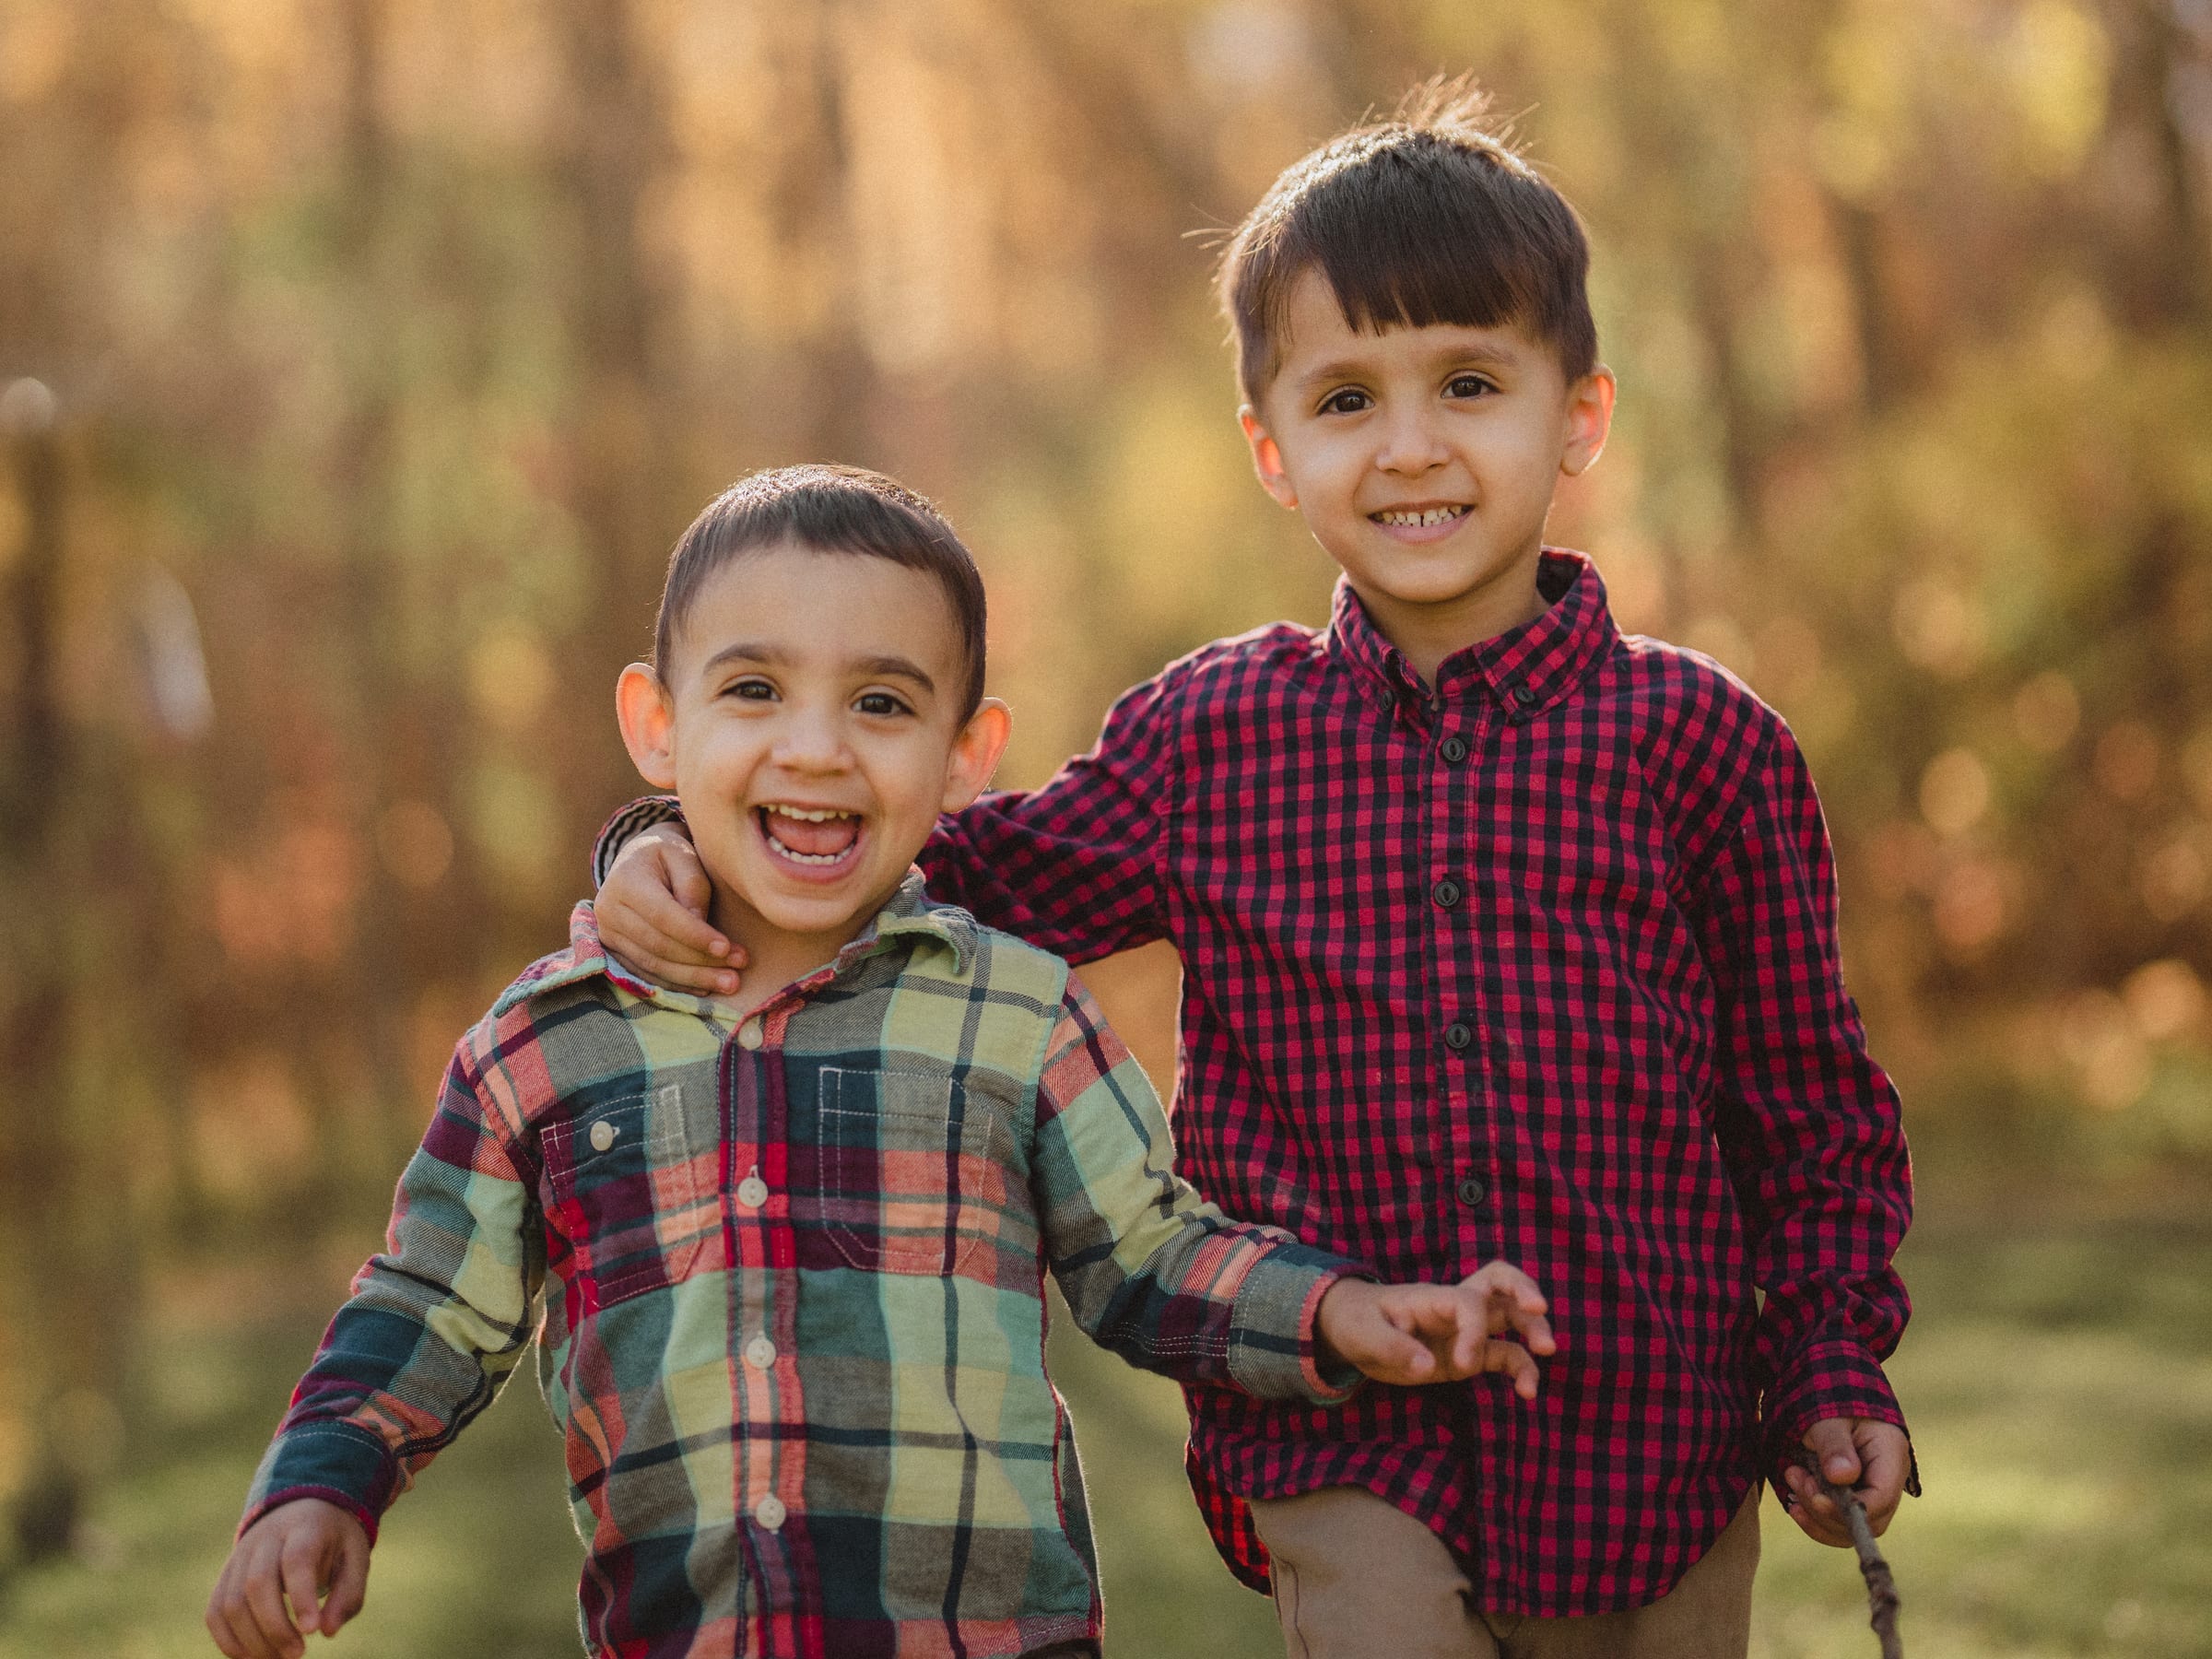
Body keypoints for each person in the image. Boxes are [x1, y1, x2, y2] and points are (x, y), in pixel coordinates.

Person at [592, 84, 1916, 1658]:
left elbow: (1806, 1109)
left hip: (1651, 1439)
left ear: (1579, 418)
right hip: (1335, 1430)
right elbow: (928, 869)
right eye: (1346, 398)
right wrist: (664, 843)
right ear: (1273, 451)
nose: (1410, 446)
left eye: (1470, 383)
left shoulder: (1703, 745)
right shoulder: (1212, 739)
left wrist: (1829, 1368)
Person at [205, 465, 1558, 1659]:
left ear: (967, 755)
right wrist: (323, 1478)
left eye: (881, 702)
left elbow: (1151, 1257)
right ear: (657, 724)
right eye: (753, 689)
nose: (815, 747)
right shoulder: (545, 1047)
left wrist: (1336, 1312)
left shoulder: (1017, 1016)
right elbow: (429, 1299)